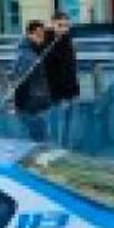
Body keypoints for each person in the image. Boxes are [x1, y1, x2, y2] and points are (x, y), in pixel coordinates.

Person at [13, 20, 52, 142]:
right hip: (31, 106)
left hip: (32, 104)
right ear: (31, 34)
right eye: (39, 35)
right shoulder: (28, 56)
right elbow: (21, 82)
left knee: (38, 139)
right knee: (39, 141)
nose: (42, 39)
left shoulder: (29, 52)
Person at [45, 11, 80, 148]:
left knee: (70, 127)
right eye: (60, 25)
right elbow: (50, 71)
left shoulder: (67, 40)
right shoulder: (49, 43)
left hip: (70, 91)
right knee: (56, 127)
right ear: (53, 25)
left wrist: (74, 90)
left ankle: (65, 152)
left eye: (66, 25)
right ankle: (56, 152)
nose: (64, 29)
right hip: (56, 94)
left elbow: (70, 68)